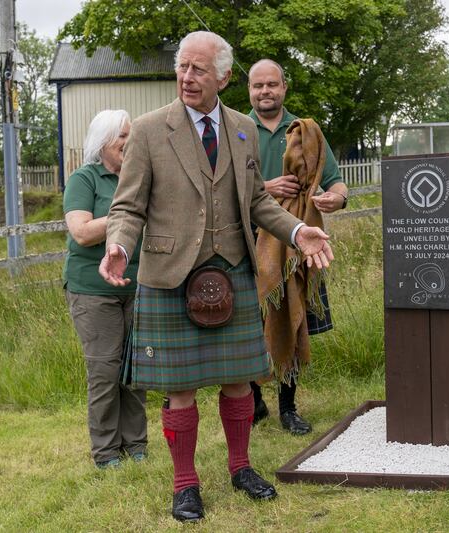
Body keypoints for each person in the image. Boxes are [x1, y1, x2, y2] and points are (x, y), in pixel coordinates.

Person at [98, 31, 334, 522]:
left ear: (224, 77)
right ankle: (185, 484)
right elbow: (127, 205)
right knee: (179, 388)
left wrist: (298, 232)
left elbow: (257, 201)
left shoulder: (243, 128)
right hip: (168, 275)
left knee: (237, 379)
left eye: (199, 69)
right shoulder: (147, 129)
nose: (187, 77)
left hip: (232, 269)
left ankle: (241, 467)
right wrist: (119, 244)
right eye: (183, 66)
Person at [247, 59, 348, 435]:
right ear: (249, 90)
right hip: (250, 244)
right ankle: (253, 400)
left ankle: (288, 407)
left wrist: (334, 200)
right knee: (252, 324)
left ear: (284, 88)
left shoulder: (307, 132)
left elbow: (337, 183)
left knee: (293, 318)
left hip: (296, 248)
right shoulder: (237, 131)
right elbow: (222, 191)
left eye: (272, 84)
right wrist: (266, 189)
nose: (265, 92)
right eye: (258, 86)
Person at [63, 109, 148, 469]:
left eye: (131, 135)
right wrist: (124, 211)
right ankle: (106, 452)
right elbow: (81, 232)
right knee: (105, 370)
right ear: (103, 143)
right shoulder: (85, 179)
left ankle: (137, 445)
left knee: (135, 369)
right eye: (122, 137)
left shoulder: (138, 177)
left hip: (138, 285)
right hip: (92, 289)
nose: (129, 143)